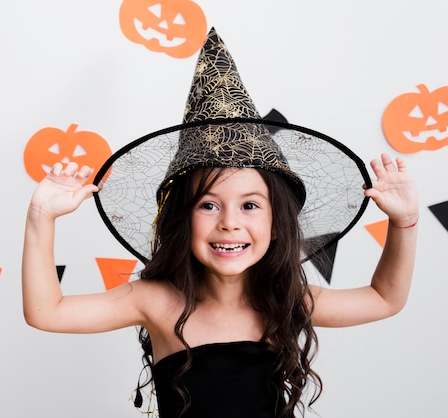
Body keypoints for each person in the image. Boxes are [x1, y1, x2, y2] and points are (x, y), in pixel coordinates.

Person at [22, 28, 419, 418]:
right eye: (208, 206)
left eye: (250, 206)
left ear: (277, 225)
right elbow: (46, 312)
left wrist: (405, 223)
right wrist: (41, 218)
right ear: (182, 220)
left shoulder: (285, 299)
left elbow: (384, 298)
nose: (229, 223)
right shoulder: (154, 301)